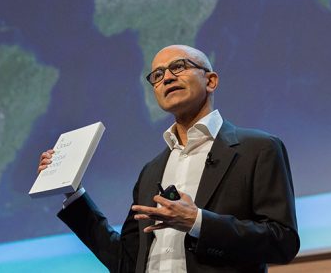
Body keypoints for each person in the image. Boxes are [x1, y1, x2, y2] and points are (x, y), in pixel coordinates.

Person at [37, 45, 299, 272]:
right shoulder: (151, 172)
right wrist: (73, 195)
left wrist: (197, 222)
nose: (167, 78)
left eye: (179, 66)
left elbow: (282, 242)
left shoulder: (258, 149)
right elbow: (126, 262)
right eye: (158, 75)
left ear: (211, 81)